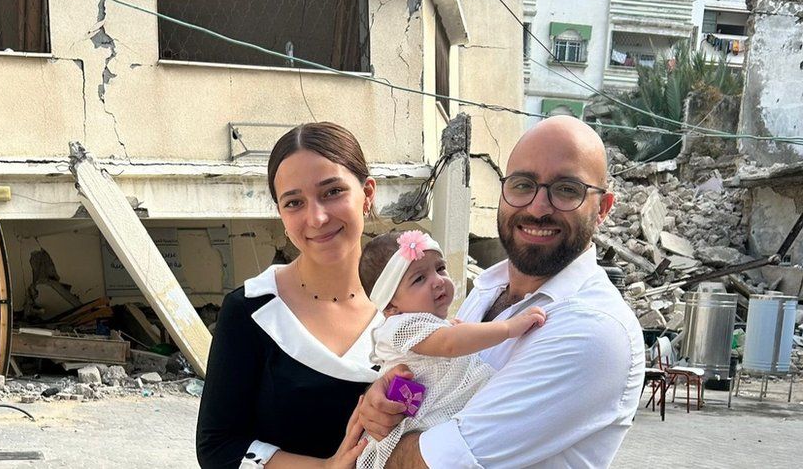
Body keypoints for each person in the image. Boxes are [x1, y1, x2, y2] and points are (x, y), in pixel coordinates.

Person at [359, 115, 646, 468]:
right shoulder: (486, 291)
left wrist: (381, 450)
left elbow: (431, 463)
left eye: (566, 189)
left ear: (602, 208)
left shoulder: (594, 330)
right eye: (523, 185)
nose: (538, 207)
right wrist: (384, 401)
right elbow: (437, 382)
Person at [197, 122, 380, 468]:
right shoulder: (251, 311)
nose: (317, 217)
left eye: (332, 192)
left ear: (367, 193)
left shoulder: (407, 306)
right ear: (281, 215)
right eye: (294, 202)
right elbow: (218, 447)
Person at [355, 230, 546, 469]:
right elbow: (450, 343)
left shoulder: (432, 324)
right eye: (419, 279)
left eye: (440, 268)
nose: (437, 281)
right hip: (422, 422)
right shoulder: (401, 325)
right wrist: (508, 328)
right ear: (391, 305)